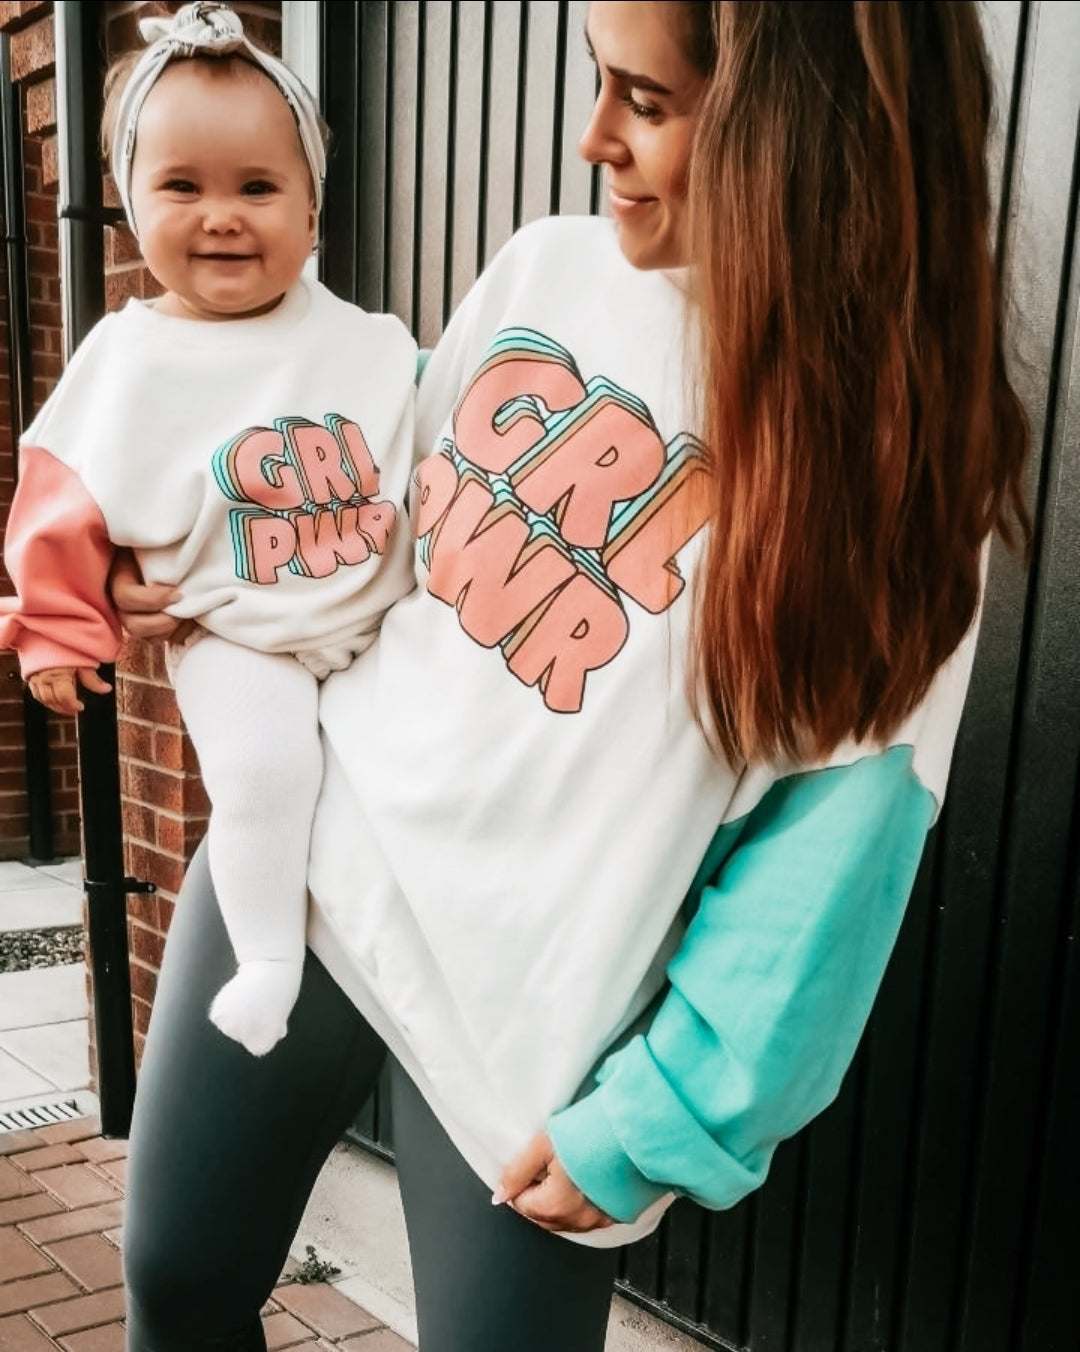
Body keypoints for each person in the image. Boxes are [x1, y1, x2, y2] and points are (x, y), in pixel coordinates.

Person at [113, 3, 1030, 1350]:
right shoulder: (548, 270)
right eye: (600, 83)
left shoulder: (896, 488)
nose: (591, 135)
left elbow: (827, 869)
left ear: (803, 135)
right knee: (176, 1282)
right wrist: (200, 559)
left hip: (533, 1039)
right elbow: (379, 522)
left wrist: (660, 1122)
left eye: (645, 102)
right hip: (311, 873)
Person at [0, 3, 417, 1058]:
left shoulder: (365, 340)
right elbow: (60, 504)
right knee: (265, 776)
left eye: (259, 187)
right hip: (235, 635)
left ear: (314, 205)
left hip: (384, 630)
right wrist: (59, 624)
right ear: (131, 203)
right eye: (182, 186)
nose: (222, 215)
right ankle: (269, 959)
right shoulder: (127, 359)